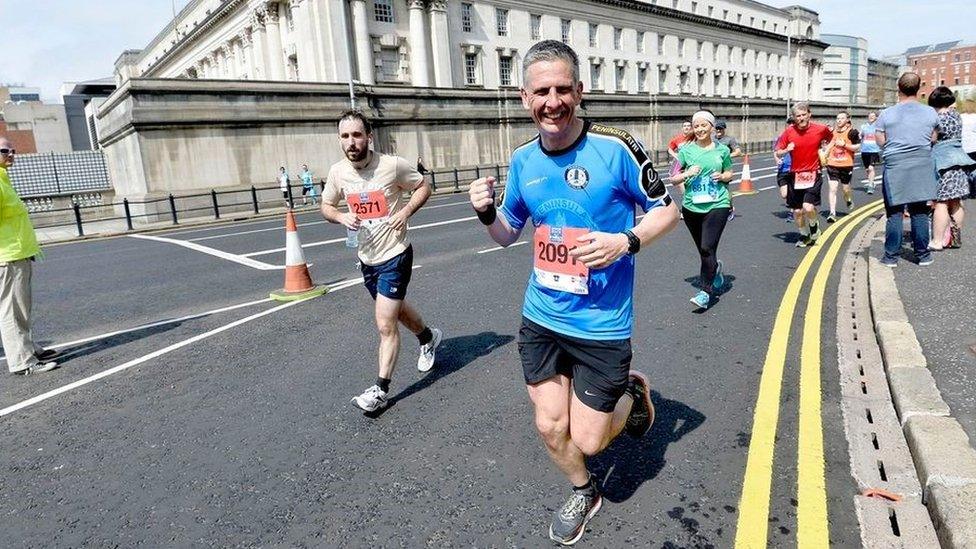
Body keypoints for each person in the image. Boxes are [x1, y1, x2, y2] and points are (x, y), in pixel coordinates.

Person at [468, 40, 678, 545]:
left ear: (580, 92)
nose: (553, 101)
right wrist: (484, 212)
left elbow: (668, 209)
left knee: (589, 437)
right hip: (541, 316)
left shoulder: (616, 146)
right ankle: (584, 490)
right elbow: (507, 233)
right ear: (524, 97)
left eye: (564, 89)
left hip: (602, 324)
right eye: (542, 91)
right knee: (549, 426)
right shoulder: (522, 160)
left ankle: (632, 391)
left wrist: (624, 241)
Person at [321, 111, 443, 412]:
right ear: (340, 140)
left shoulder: (391, 166)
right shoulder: (338, 173)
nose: (351, 142)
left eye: (357, 135)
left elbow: (423, 186)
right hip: (367, 257)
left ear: (369, 136)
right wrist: (340, 215)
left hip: (395, 254)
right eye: (345, 136)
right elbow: (326, 205)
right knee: (396, 310)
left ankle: (380, 390)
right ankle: (428, 337)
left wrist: (405, 212)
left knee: (385, 324)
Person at [0, 136, 61, 375]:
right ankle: (22, 362)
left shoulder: (4, 179)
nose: (11, 154)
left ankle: (28, 348)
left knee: (22, 309)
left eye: (12, 150)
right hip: (7, 258)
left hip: (20, 254)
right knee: (10, 311)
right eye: (5, 151)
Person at [670, 111, 734, 309]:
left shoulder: (722, 150)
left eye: (703, 125)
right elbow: (673, 178)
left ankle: (705, 292)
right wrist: (687, 172)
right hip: (691, 206)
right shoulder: (685, 151)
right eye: (696, 126)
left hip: (718, 204)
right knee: (704, 251)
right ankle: (716, 269)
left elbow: (730, 172)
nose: (699, 129)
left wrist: (722, 177)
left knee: (707, 247)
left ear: (712, 127)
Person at [875, 73, 939, 267]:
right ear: (918, 89)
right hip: (921, 164)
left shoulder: (886, 114)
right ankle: (923, 255)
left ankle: (891, 257)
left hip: (896, 165)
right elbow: (934, 138)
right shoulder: (930, 113)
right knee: (920, 212)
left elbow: (880, 141)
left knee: (894, 213)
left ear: (898, 88)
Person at [775, 103, 833, 248]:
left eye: (803, 115)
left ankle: (814, 227)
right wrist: (786, 149)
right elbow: (778, 151)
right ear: (794, 118)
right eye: (797, 116)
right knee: (797, 211)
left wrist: (826, 151)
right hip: (795, 175)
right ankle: (804, 234)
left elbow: (832, 138)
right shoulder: (789, 132)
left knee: (808, 207)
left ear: (809, 114)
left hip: (813, 173)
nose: (801, 118)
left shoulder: (820, 129)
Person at [928, 86, 976, 250]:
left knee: (941, 202)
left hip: (944, 164)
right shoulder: (956, 116)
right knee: (956, 202)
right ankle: (954, 239)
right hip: (960, 161)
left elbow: (932, 139)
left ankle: (938, 241)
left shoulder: (937, 119)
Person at [824, 111, 861, 223]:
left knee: (845, 190)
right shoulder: (833, 132)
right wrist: (825, 153)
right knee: (833, 188)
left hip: (846, 165)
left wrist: (845, 145)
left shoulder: (852, 132)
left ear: (847, 120)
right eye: (837, 118)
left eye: (841, 118)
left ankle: (848, 199)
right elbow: (830, 144)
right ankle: (832, 213)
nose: (839, 120)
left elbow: (857, 147)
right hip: (832, 164)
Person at [714, 120, 742, 221]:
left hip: (725, 169)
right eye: (717, 128)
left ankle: (730, 209)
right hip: (713, 168)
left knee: (724, 190)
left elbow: (738, 152)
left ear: (724, 129)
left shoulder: (729, 140)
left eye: (720, 128)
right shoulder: (711, 139)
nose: (718, 130)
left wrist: (726, 156)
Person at [775, 118, 795, 222]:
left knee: (792, 192)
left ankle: (791, 213)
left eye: (793, 124)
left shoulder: (799, 138)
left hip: (794, 169)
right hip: (783, 169)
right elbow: (776, 152)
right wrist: (777, 160)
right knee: (784, 194)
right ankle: (791, 203)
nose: (791, 126)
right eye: (789, 125)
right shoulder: (782, 138)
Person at [668, 120, 695, 187]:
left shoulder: (695, 137)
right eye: (684, 126)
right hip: (681, 164)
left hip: (692, 162)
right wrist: (675, 155)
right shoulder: (677, 139)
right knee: (680, 183)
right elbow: (670, 149)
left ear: (691, 128)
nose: (686, 128)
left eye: (688, 126)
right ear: (682, 128)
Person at [860, 111, 882, 194]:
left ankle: (870, 186)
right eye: (870, 116)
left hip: (874, 150)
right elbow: (861, 136)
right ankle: (871, 182)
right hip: (864, 150)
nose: (871, 117)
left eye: (873, 116)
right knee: (867, 169)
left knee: (871, 168)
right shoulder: (863, 126)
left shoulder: (878, 127)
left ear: (876, 117)